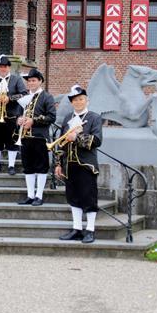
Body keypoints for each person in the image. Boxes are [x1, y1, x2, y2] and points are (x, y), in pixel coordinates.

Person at [55, 85, 103, 244]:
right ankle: (76, 229)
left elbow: (97, 141)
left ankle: (90, 230)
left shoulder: (94, 118)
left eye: (81, 99)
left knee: (88, 198)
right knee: (73, 197)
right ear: (72, 102)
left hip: (86, 165)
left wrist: (78, 136)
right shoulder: (68, 118)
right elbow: (60, 144)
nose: (78, 102)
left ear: (86, 100)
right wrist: (58, 164)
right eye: (75, 100)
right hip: (69, 165)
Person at [16, 68, 56, 206]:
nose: (31, 83)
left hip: (40, 137)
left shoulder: (47, 97)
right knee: (28, 167)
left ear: (40, 81)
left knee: (41, 167)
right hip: (25, 137)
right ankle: (30, 195)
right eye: (29, 81)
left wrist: (34, 121)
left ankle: (39, 195)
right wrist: (19, 120)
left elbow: (51, 116)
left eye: (34, 81)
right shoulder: (24, 98)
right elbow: (18, 114)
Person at [0, 55, 27, 175]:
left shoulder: (16, 80)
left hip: (12, 116)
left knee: (11, 142)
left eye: (5, 66)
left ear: (9, 67)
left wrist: (10, 98)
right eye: (1, 67)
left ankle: (11, 166)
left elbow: (24, 95)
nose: (3, 69)